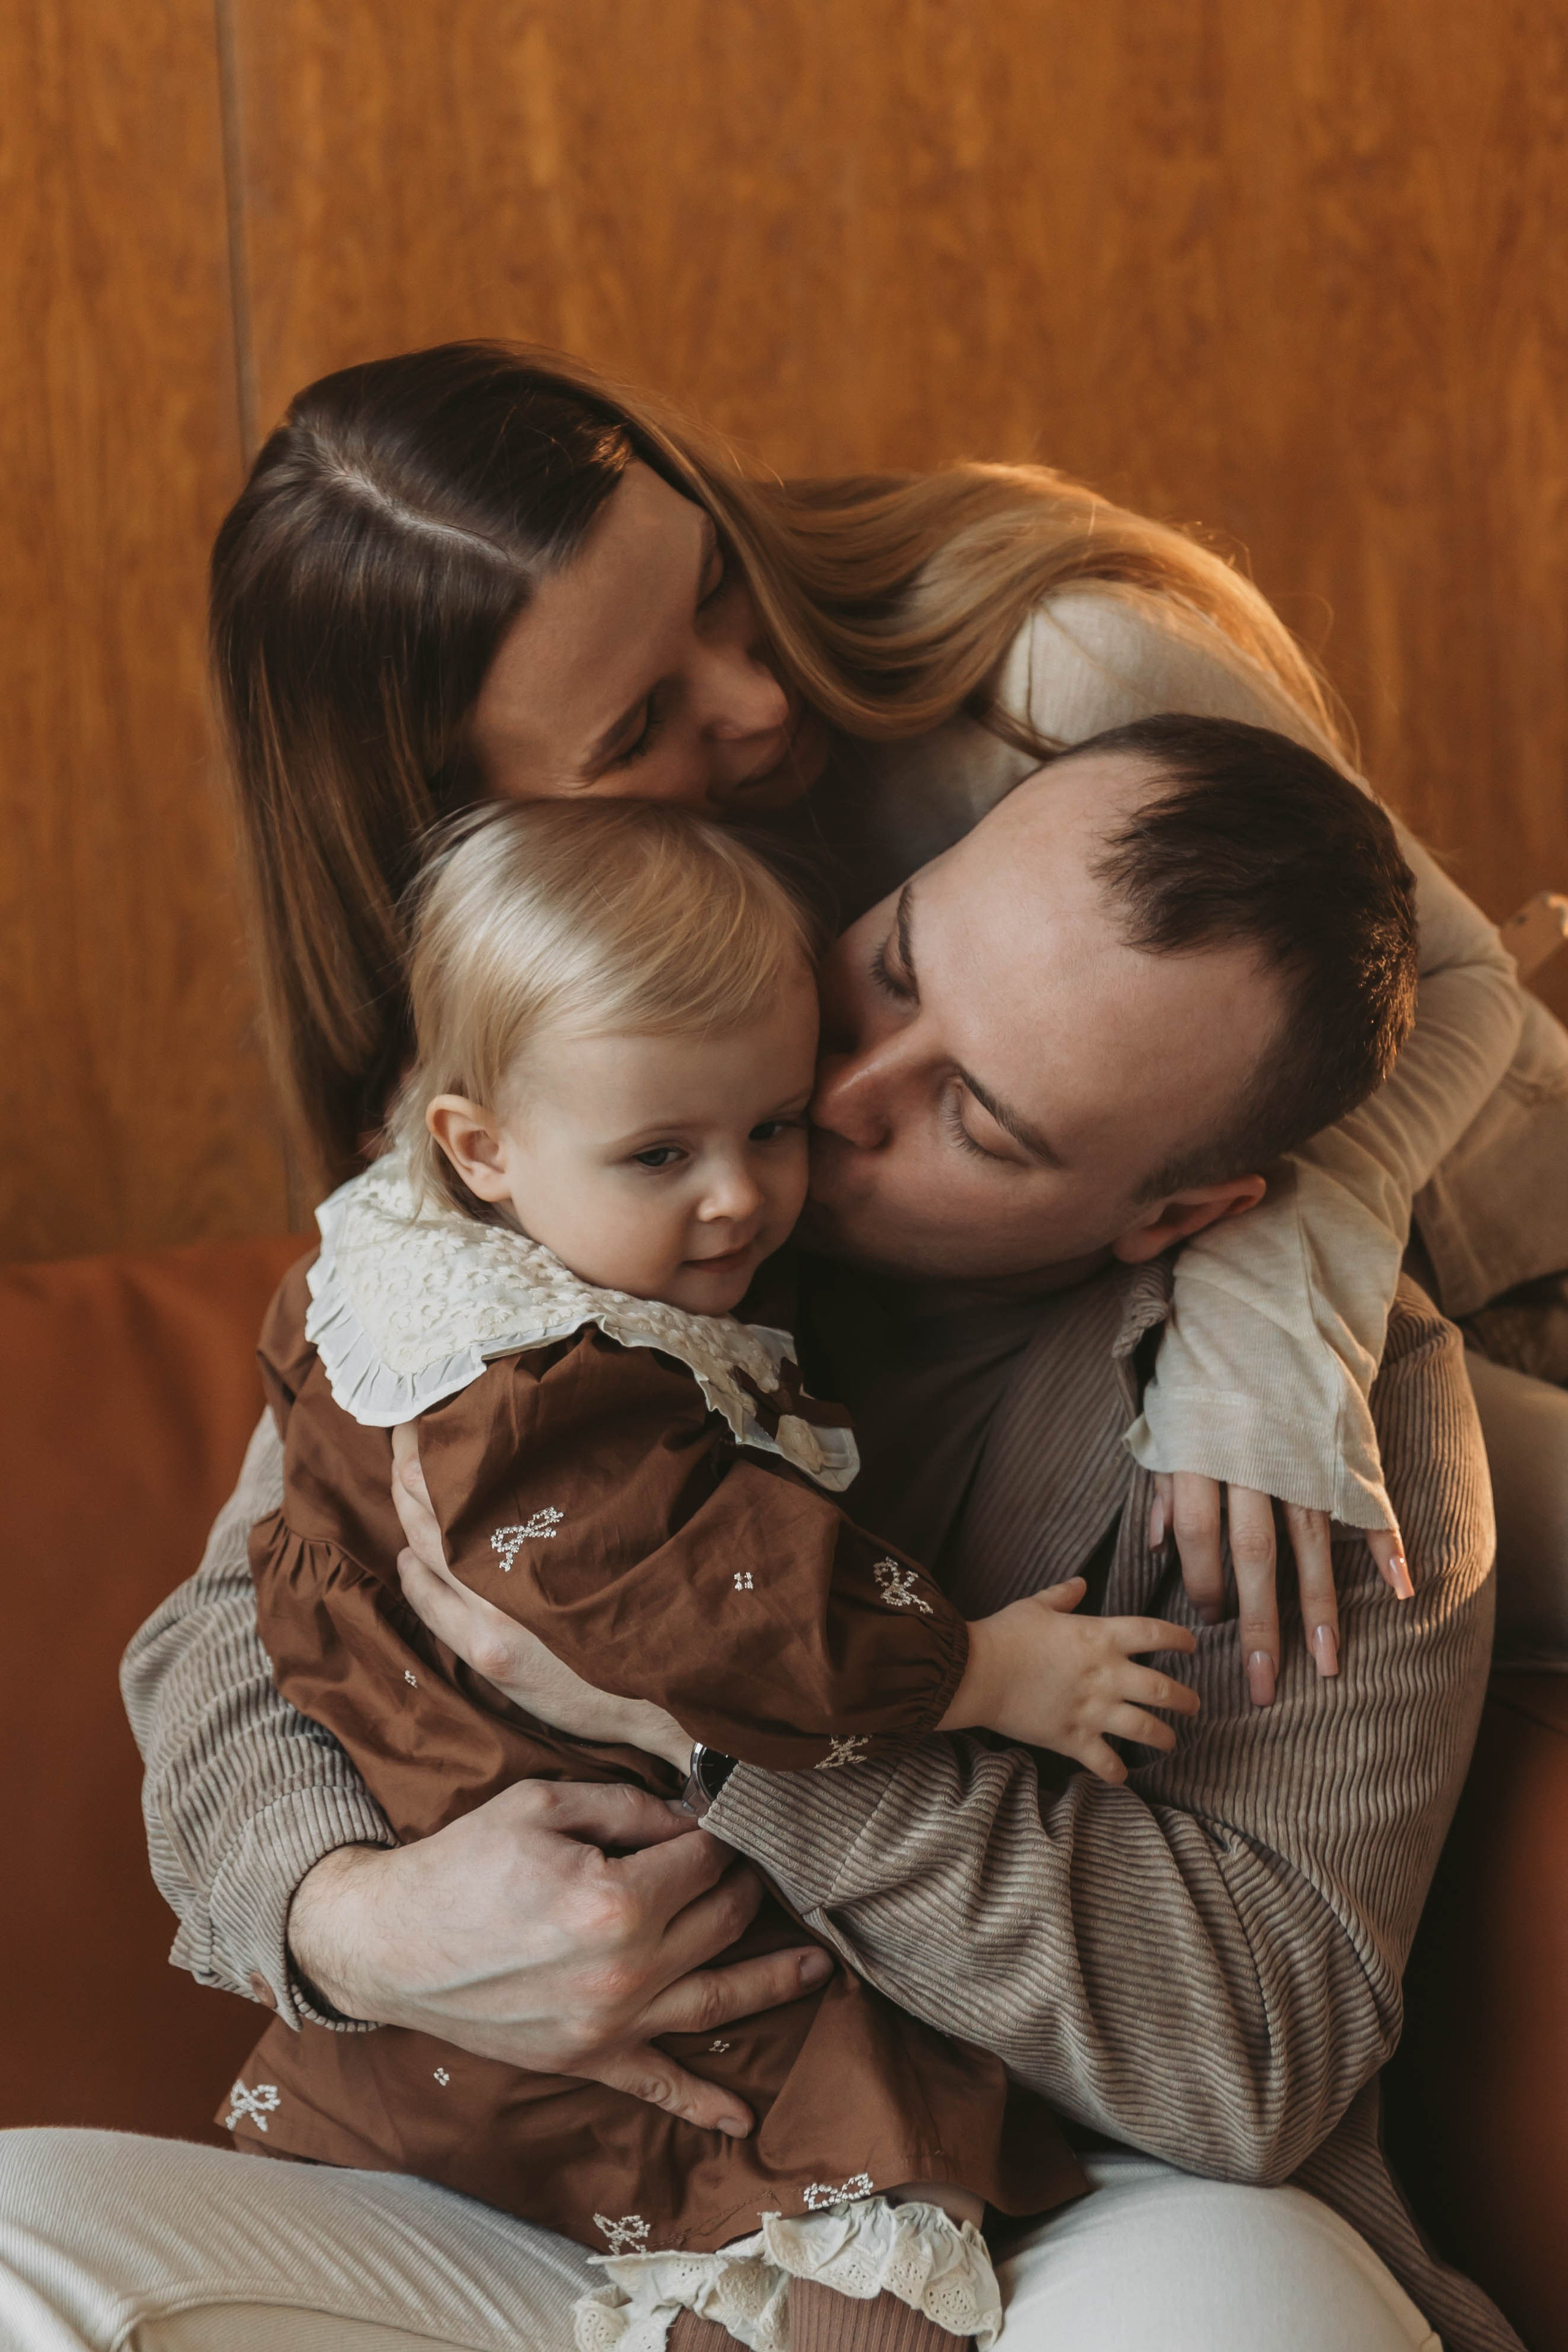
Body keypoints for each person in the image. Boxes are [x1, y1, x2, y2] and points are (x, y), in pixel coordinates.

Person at [0, 342, 1553, 2349]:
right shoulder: (610, 1165)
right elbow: (223, 1628)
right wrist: (354, 1922)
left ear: (1180, 1210)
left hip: (1049, 2206)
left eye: (980, 1117)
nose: (838, 1097)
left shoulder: (1295, 1435)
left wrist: (724, 1732)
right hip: (520, 2172)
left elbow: (1252, 2054)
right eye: (890, 962)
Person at [242, 793, 1199, 2351]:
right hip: (562, 1861)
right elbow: (714, 1600)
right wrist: (976, 1672)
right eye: (660, 1152)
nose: (741, 1195)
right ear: (476, 1150)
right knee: (851, 2192)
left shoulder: (401, 1269)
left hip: (526, 1847)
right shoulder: (534, 1372)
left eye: (768, 1123)